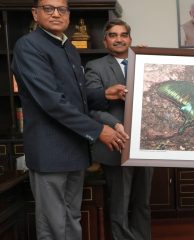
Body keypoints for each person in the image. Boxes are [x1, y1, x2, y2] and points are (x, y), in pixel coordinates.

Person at [11, 0, 129, 239]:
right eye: (48, 8)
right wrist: (99, 131)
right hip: (50, 152)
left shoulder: (68, 47)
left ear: (68, 14)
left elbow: (77, 96)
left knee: (71, 218)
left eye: (62, 9)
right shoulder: (29, 46)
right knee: (54, 225)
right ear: (35, 13)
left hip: (75, 149)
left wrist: (105, 93)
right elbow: (52, 102)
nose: (56, 14)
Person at [85, 19, 153, 240]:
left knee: (143, 201)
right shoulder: (95, 66)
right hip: (116, 142)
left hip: (147, 144)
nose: (119, 39)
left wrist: (148, 59)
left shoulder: (145, 61)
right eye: (113, 35)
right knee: (120, 202)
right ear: (105, 40)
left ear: (130, 39)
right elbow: (90, 106)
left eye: (123, 35)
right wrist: (115, 124)